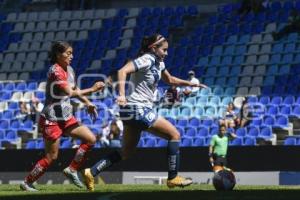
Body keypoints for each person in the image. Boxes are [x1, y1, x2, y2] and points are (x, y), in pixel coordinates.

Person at [81, 34, 208, 191]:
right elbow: (122, 71)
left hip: (131, 111)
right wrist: (121, 94)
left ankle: (91, 172)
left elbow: (170, 80)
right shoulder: (146, 59)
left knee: (126, 152)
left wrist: (192, 84)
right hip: (137, 108)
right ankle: (173, 177)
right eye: (164, 50)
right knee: (174, 135)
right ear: (153, 48)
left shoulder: (159, 63)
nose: (167, 53)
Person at [20, 41, 105, 191]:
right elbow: (70, 93)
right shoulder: (55, 71)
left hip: (66, 116)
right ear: (58, 55)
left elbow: (75, 88)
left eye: (72, 53)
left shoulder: (70, 70)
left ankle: (72, 169)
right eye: (68, 53)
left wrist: (87, 103)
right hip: (51, 118)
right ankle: (27, 183)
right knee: (52, 157)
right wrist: (92, 89)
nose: (72, 56)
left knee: (91, 139)